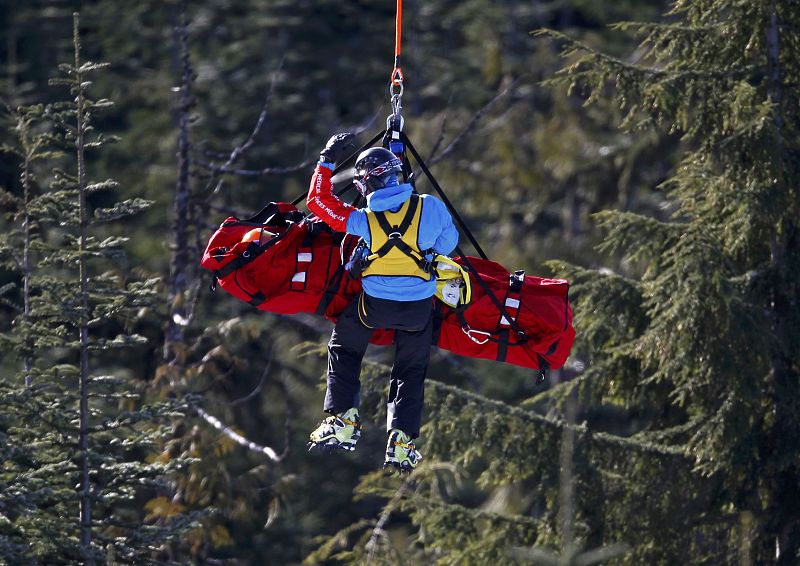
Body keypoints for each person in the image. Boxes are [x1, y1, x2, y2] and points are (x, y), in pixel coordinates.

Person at [306, 132, 458, 472]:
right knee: (411, 369)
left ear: (363, 186)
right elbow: (448, 244)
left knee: (344, 349)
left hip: (373, 306)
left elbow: (318, 203)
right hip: (419, 309)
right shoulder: (429, 207)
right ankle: (401, 443)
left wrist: (326, 159)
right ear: (397, 173)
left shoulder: (363, 220)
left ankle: (343, 420)